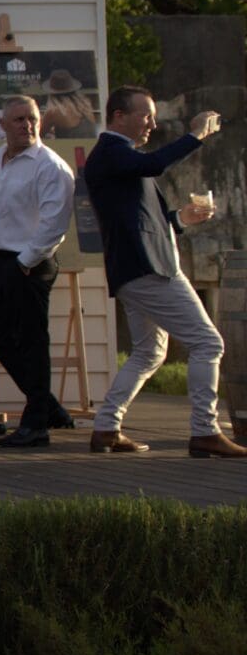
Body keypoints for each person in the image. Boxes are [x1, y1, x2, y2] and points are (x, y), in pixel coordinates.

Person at [83, 87, 237, 456]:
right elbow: (154, 164)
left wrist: (180, 219)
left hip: (139, 267)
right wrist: (195, 134)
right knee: (207, 342)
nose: (152, 123)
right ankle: (204, 432)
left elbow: (139, 220)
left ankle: (106, 428)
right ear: (119, 116)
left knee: (149, 351)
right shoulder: (110, 153)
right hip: (149, 269)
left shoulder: (120, 157)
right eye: (145, 115)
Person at [0, 95, 78, 449]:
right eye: (20, 119)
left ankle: (37, 424)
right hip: (1, 259)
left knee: (32, 341)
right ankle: (48, 405)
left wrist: (24, 262)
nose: (28, 125)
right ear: (3, 124)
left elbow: (54, 224)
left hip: (30, 264)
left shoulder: (50, 166)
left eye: (33, 119)